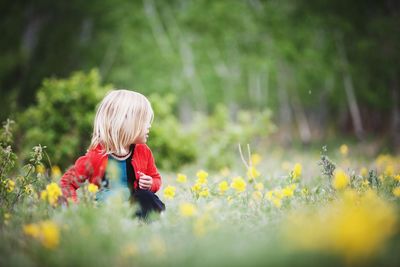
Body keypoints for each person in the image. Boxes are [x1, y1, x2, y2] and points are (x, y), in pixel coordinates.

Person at [60, 89, 165, 218]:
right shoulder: (96, 155)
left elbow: (156, 178)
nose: (149, 126)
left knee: (146, 196)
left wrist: (151, 183)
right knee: (108, 196)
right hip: (108, 211)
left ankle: (153, 223)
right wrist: (74, 208)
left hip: (135, 206)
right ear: (125, 123)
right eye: (144, 121)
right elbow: (67, 183)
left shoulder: (143, 151)